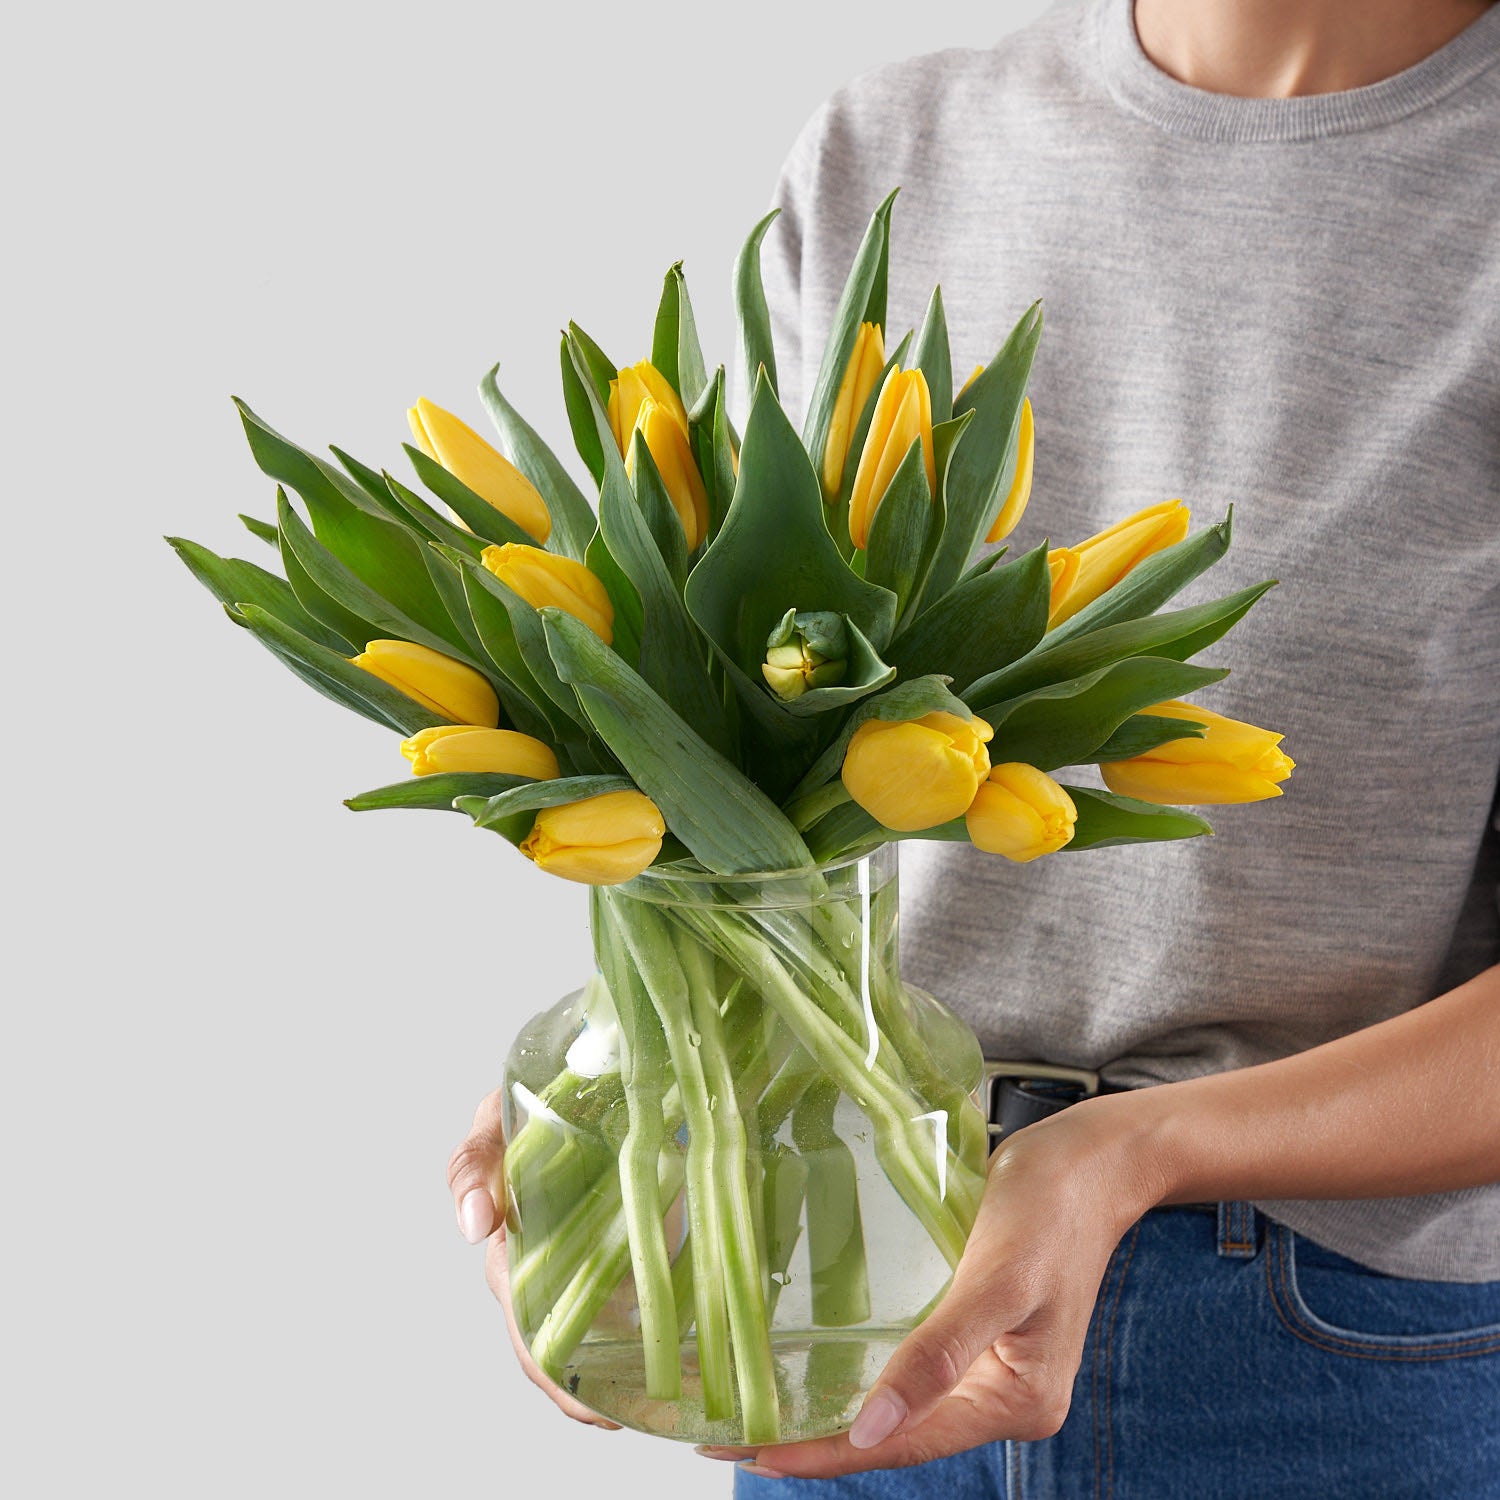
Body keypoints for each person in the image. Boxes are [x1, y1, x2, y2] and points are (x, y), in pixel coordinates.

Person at [447, 1, 1500, 1493]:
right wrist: (650, 1047)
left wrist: (1131, 1152)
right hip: (862, 1281)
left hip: (1328, 1356)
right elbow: (777, 728)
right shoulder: (898, 146)